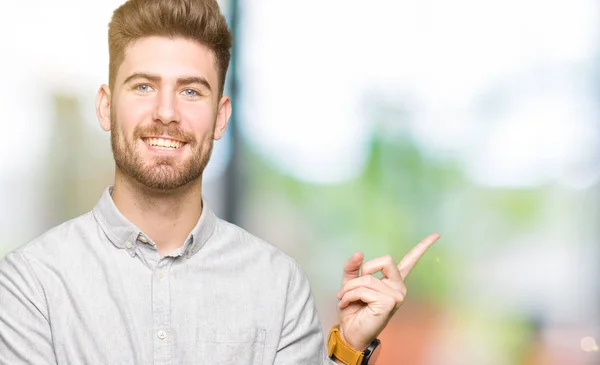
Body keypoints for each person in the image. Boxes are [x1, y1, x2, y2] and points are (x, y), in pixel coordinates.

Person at [0, 0, 439, 364]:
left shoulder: (278, 285)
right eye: (143, 87)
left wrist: (350, 346)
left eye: (191, 91)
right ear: (105, 107)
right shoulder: (30, 283)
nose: (166, 113)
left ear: (220, 117)